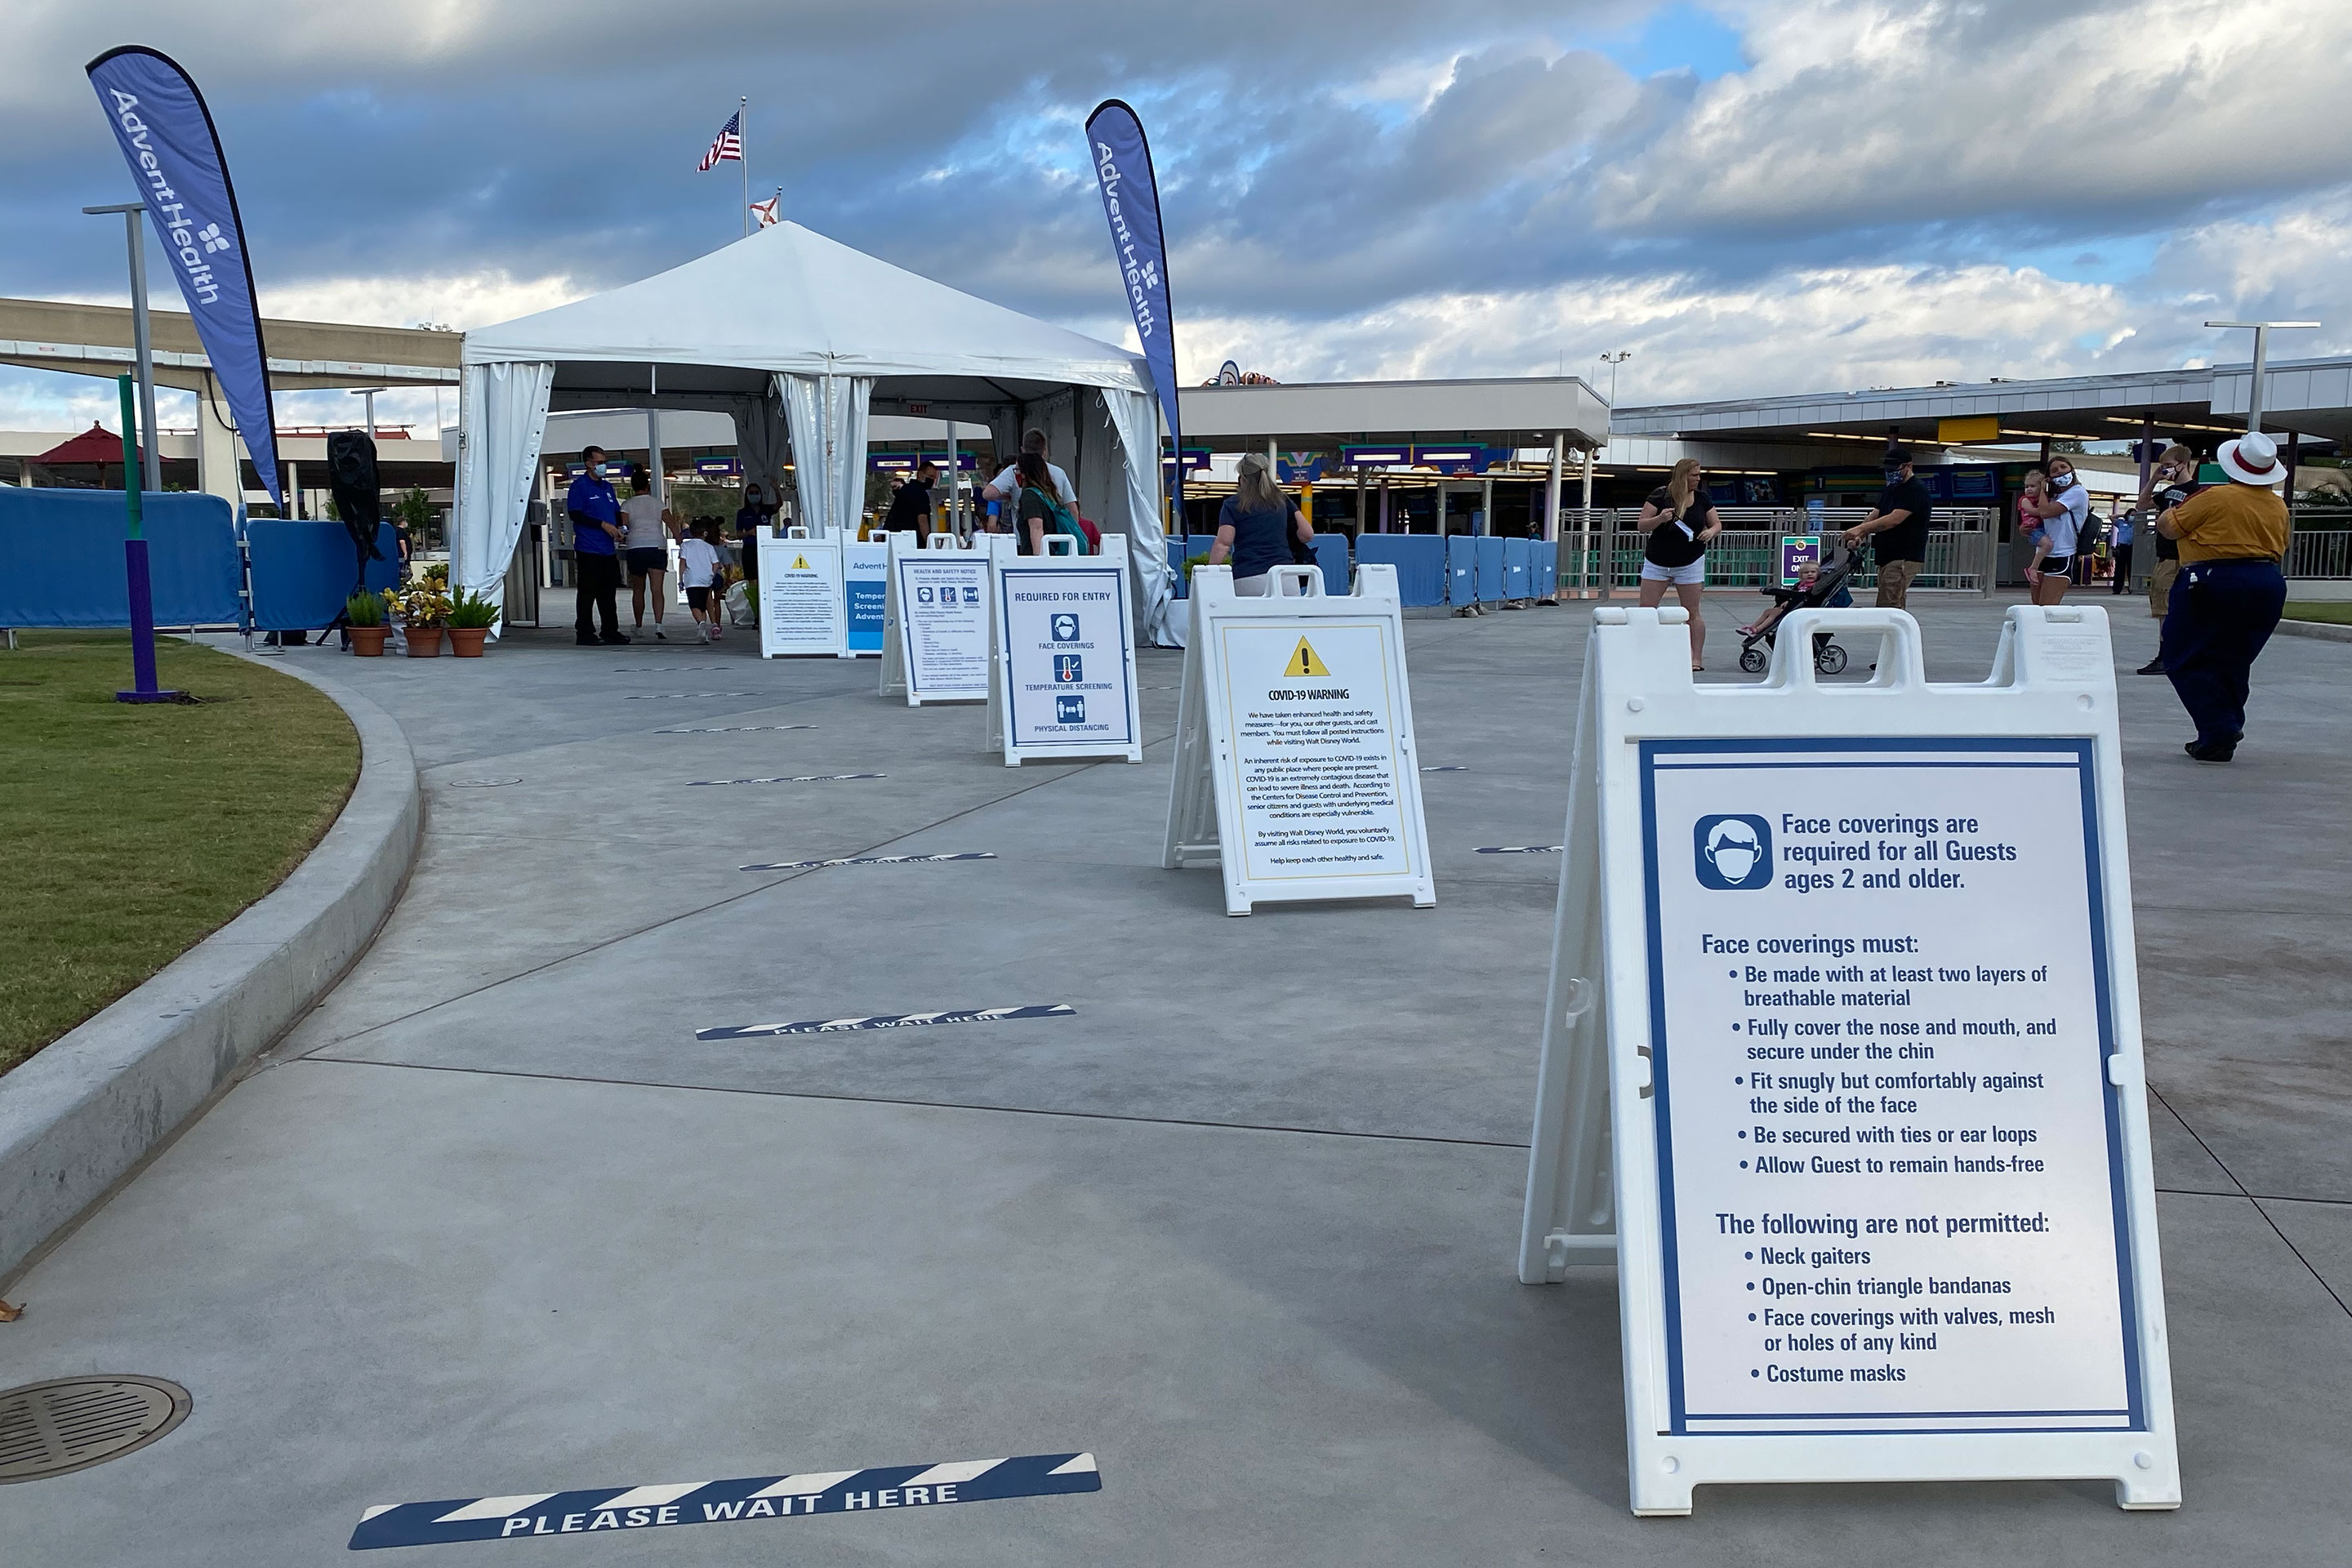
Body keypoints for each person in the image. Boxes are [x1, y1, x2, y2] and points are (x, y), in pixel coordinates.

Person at [2154, 430, 2290, 763]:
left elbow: (2169, 527)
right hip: (2267, 580)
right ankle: (2225, 724)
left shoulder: (2214, 497)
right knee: (2234, 658)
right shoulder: (2277, 505)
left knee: (2181, 655)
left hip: (2213, 579)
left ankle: (2218, 729)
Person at [1635, 457, 1720, 670]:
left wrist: (1710, 531)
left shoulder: (1701, 499)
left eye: (1699, 475)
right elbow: (1641, 525)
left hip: (1690, 560)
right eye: (1694, 475)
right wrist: (1659, 520)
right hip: (1658, 560)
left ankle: (1695, 658)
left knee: (1692, 611)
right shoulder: (1660, 495)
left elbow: (1716, 523)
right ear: (1682, 476)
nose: (1698, 479)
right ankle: (1644, 652)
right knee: (1647, 609)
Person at [1840, 445, 1933, 608]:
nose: (1889, 472)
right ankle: (1893, 633)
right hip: (1887, 556)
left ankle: (1894, 633)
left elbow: (1893, 519)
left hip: (1904, 555)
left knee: (1890, 604)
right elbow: (1876, 513)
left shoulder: (1916, 490)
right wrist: (1859, 534)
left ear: (1908, 466)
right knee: (1889, 600)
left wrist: (1860, 530)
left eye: (1893, 468)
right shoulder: (1891, 488)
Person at [1208, 451, 1311, 594]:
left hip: (1248, 577)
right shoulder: (1282, 500)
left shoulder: (1232, 504)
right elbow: (1307, 534)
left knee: (1251, 617)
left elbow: (1224, 544)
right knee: (1289, 617)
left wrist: (1208, 573)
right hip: (1286, 576)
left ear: (1242, 478)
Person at [2136, 444, 2194, 670]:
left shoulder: (2194, 491)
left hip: (2178, 556)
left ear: (2183, 464)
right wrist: (2154, 480)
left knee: (2167, 607)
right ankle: (2169, 653)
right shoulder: (2167, 493)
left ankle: (2167, 655)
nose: (2166, 470)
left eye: (2169, 466)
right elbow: (2142, 505)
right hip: (2164, 555)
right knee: (2162, 606)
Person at [566, 445, 629, 646]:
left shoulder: (607, 487)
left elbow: (616, 512)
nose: (603, 467)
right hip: (589, 548)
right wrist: (602, 525)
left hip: (607, 549)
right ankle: (584, 632)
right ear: (589, 464)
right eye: (600, 463)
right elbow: (575, 514)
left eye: (605, 463)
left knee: (608, 593)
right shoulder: (579, 487)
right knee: (587, 593)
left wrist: (620, 528)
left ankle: (610, 630)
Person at [2020, 453, 2089, 605]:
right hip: (2043, 554)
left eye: (2063, 467)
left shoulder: (2077, 492)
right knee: (2036, 605)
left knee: (2048, 606)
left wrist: (2043, 491)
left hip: (2062, 553)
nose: (2059, 471)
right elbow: (2041, 518)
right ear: (2049, 476)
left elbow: (2045, 512)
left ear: (2072, 469)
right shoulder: (2053, 496)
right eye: (2054, 470)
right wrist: (2026, 529)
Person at [621, 473, 675, 641]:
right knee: (657, 590)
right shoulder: (658, 503)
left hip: (636, 547)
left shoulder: (627, 504)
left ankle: (638, 626)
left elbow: (623, 526)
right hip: (656, 546)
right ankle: (659, 625)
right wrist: (680, 539)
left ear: (632, 486)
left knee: (638, 590)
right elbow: (672, 523)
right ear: (648, 486)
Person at [1011, 450, 1088, 555]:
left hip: (1036, 558)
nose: (1016, 474)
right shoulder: (1047, 495)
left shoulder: (1029, 496)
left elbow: (1037, 529)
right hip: (1054, 554)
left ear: (1025, 473)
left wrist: (1039, 561)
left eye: (1017, 470)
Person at [983, 428, 1076, 514]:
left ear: (1023, 450)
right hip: (1054, 531)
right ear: (1045, 451)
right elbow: (1073, 510)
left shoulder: (1013, 471)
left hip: (1025, 530)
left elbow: (988, 494)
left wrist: (1010, 495)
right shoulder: (1059, 472)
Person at [678, 520, 724, 644]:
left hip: (692, 579)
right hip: (706, 580)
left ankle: (701, 623)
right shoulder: (709, 547)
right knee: (703, 605)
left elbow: (683, 562)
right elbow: (716, 563)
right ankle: (703, 633)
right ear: (704, 533)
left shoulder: (685, 546)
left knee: (694, 605)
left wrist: (680, 578)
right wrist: (712, 575)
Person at [735, 481, 779, 584]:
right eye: (751, 493)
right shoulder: (742, 513)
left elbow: (779, 504)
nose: (754, 495)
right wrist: (749, 533)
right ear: (747, 495)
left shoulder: (766, 509)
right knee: (752, 577)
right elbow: (738, 534)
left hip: (765, 547)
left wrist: (776, 489)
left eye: (756, 492)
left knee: (766, 575)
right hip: (749, 547)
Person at [882, 461, 935, 539]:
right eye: (930, 476)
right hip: (913, 541)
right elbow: (922, 521)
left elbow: (893, 515)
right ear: (920, 475)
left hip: (894, 538)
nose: (932, 480)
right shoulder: (921, 494)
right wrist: (929, 543)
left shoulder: (904, 490)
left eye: (934, 477)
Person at [2108, 507, 2135, 595]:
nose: (2133, 517)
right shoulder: (2121, 523)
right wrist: (2123, 515)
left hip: (2132, 548)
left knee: (2131, 569)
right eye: (2132, 515)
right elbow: (2112, 517)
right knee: (2119, 569)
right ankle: (2117, 589)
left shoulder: (2137, 525)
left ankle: (2132, 588)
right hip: (2122, 548)